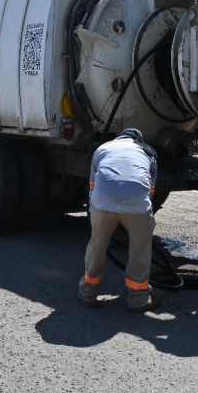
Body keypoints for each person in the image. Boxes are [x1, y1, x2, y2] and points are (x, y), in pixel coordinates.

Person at [78, 128, 161, 313]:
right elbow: (150, 191)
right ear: (138, 140)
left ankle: (88, 293)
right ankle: (138, 299)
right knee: (140, 249)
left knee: (97, 246)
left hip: (103, 200)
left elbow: (93, 185)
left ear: (120, 138)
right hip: (137, 202)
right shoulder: (148, 152)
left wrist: (97, 214)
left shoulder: (103, 148)